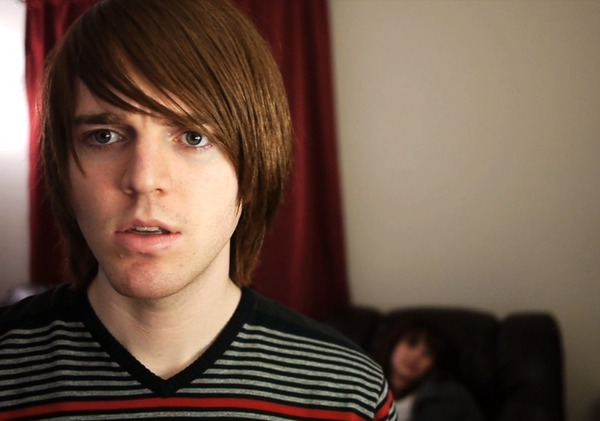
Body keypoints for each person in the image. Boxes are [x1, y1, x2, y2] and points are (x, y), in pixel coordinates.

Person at [0, 1, 397, 419]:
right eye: (104, 136)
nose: (143, 179)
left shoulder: (348, 394)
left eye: (193, 137)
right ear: (63, 170)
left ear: (253, 170)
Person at [384, 318, 483, 421]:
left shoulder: (445, 398)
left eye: (427, 353)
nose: (416, 356)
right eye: (411, 343)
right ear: (394, 343)